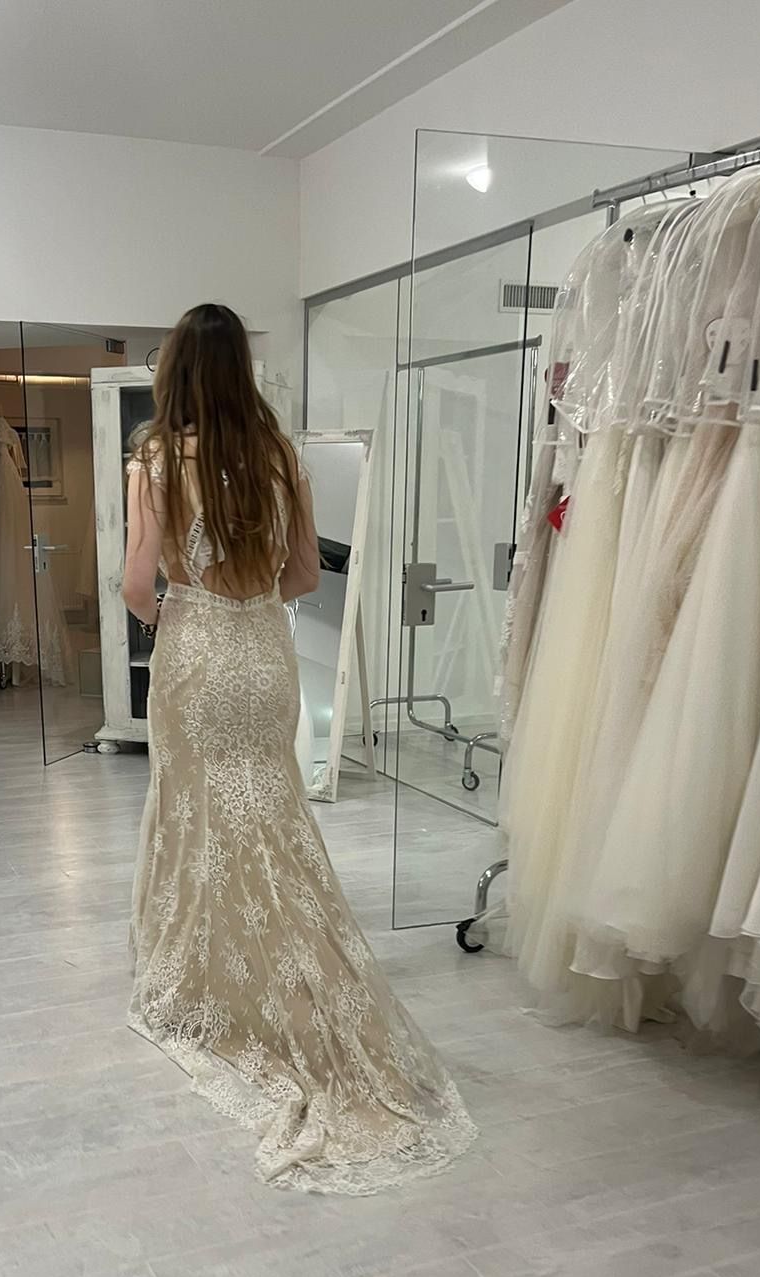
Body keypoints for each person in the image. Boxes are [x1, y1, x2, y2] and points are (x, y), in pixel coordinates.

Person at [122, 303, 476, 1195]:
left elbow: (134, 584)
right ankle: (303, 974)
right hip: (265, 655)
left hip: (196, 654)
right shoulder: (280, 457)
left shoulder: (157, 461)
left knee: (201, 817)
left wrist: (176, 615)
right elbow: (307, 575)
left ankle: (209, 980)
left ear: (176, 372)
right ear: (241, 371)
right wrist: (249, 605)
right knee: (272, 818)